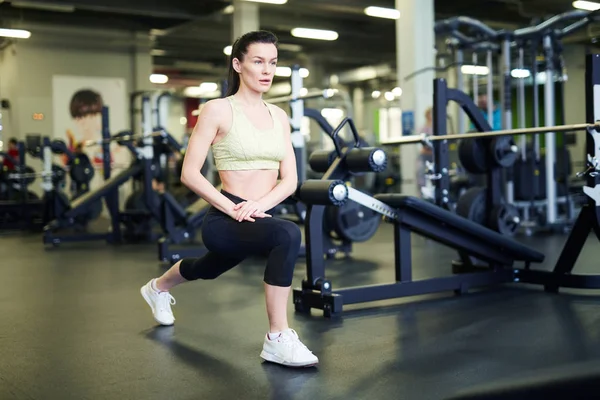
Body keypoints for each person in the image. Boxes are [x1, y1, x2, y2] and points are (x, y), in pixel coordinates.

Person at [140, 30, 319, 368]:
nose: (266, 70)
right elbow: (190, 173)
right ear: (238, 65)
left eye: (273, 63)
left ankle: (157, 288)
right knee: (289, 234)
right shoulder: (218, 110)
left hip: (258, 215)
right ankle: (277, 338)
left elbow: (290, 178)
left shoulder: (279, 116)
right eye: (258, 62)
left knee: (207, 268)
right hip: (225, 217)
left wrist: (258, 207)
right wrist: (234, 208)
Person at [416, 107, 434, 197]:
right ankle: (421, 196)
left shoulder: (437, 127)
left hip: (434, 156)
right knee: (421, 176)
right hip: (424, 155)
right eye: (429, 113)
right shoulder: (423, 128)